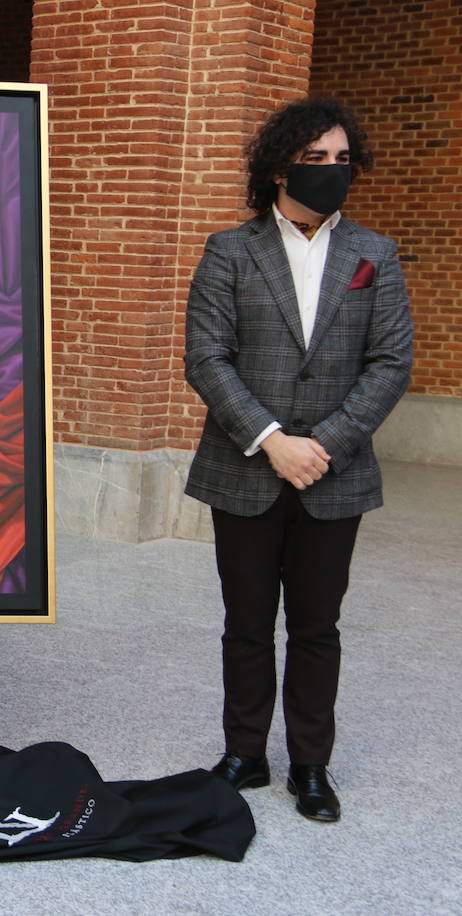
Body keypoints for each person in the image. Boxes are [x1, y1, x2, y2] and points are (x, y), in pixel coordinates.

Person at [184, 98, 412, 823]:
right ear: (281, 167)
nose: (332, 172)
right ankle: (245, 753)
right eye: (317, 160)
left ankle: (311, 765)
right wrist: (272, 438)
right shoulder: (230, 250)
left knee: (318, 625)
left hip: (334, 474)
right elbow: (207, 357)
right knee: (246, 621)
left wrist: (326, 445)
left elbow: (391, 362)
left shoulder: (375, 255)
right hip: (246, 467)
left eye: (343, 160)